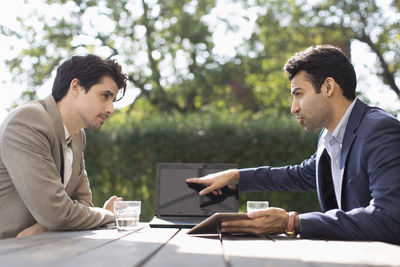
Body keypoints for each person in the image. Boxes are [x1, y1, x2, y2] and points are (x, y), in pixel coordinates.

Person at [187, 45, 400, 245]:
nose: (294, 108)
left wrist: (293, 223)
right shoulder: (329, 138)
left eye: (298, 94)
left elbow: (390, 218)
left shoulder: (379, 131)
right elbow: (298, 175)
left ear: (328, 87)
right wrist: (236, 177)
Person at [0, 54, 127, 238]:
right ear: (76, 87)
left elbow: (83, 202)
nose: (111, 109)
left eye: (112, 100)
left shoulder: (78, 136)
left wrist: (47, 225)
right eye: (105, 96)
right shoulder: (28, 121)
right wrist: (109, 214)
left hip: (42, 248)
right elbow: (56, 214)